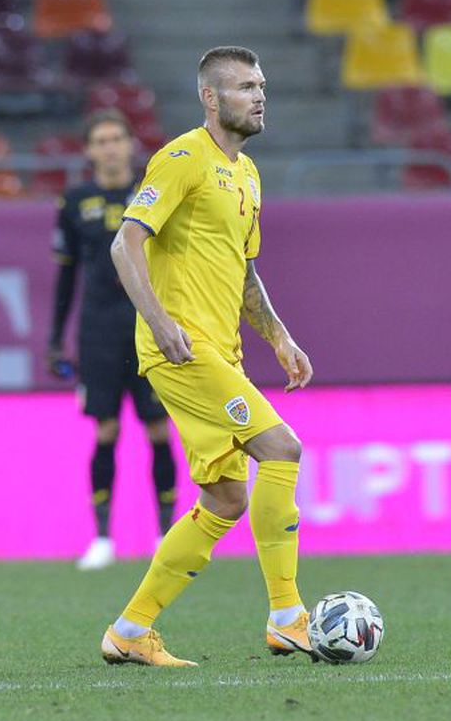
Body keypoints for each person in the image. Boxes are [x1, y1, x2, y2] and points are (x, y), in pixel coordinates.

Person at [102, 46, 315, 667]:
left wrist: (279, 336)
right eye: (246, 86)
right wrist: (159, 321)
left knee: (225, 500)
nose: (259, 95)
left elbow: (244, 270)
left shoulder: (247, 174)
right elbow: (125, 243)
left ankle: (130, 630)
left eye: (262, 85)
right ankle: (288, 617)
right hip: (183, 349)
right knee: (282, 449)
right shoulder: (182, 158)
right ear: (210, 97)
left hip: (222, 351)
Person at [49, 110, 177, 571]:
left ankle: (166, 535)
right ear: (88, 150)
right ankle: (103, 538)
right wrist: (54, 340)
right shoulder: (74, 201)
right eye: (100, 140)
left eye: (117, 138)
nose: (110, 147)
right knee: (106, 430)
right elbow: (66, 276)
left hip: (149, 326)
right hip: (98, 333)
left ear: (130, 144)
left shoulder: (152, 193)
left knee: (158, 429)